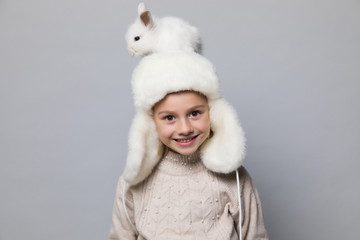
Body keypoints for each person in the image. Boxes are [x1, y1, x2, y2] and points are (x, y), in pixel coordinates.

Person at [108, 52, 268, 240]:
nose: (184, 129)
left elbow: (254, 236)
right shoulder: (133, 181)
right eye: (169, 117)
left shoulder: (235, 178)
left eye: (194, 113)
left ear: (212, 112)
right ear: (151, 123)